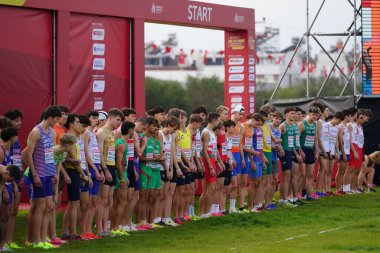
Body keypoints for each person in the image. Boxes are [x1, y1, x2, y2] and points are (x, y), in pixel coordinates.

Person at [25, 106, 62, 249]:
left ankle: (43, 238)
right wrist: (34, 175)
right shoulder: (35, 132)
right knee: (40, 207)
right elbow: (29, 154)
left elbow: (51, 154)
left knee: (48, 206)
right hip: (39, 174)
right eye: (57, 119)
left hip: (48, 173)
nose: (58, 122)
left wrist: (54, 173)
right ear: (50, 117)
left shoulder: (52, 133)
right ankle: (36, 241)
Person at [61, 114, 91, 241]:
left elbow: (80, 158)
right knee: (74, 204)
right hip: (74, 172)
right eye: (78, 123)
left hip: (78, 171)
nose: (80, 125)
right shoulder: (70, 138)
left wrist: (86, 173)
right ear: (71, 124)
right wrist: (83, 175)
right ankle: (72, 233)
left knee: (73, 204)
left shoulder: (77, 137)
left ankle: (66, 232)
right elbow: (76, 161)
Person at [96, 108, 123, 237]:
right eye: (118, 119)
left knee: (109, 201)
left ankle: (105, 227)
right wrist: (104, 170)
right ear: (110, 118)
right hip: (105, 166)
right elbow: (99, 153)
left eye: (120, 121)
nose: (119, 123)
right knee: (102, 200)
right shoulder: (101, 132)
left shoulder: (112, 133)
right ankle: (99, 229)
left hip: (111, 167)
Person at [82, 111, 103, 239]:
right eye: (94, 118)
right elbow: (86, 154)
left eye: (97, 118)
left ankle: (89, 230)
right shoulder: (86, 133)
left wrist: (100, 168)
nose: (96, 120)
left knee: (94, 201)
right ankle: (84, 231)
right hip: (90, 168)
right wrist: (94, 170)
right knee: (88, 203)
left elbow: (96, 153)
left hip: (96, 167)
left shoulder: (94, 134)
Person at [112, 121, 135, 234]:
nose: (134, 132)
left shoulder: (123, 143)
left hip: (122, 173)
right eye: (133, 130)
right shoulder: (121, 143)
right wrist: (122, 178)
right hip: (119, 174)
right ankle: (116, 227)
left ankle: (115, 227)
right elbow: (117, 162)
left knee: (118, 202)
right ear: (130, 130)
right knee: (122, 201)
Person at [159, 116, 180, 226]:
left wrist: (172, 169)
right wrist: (167, 169)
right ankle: (158, 218)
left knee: (166, 194)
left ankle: (166, 217)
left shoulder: (170, 136)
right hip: (161, 168)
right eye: (174, 129)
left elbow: (171, 153)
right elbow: (162, 154)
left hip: (168, 168)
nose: (174, 131)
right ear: (168, 125)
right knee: (160, 195)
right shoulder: (160, 135)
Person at [200, 112, 220, 217]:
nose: (219, 122)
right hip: (207, 162)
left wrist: (218, 162)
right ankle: (204, 212)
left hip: (212, 161)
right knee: (209, 188)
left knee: (210, 188)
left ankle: (205, 212)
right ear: (213, 120)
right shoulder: (206, 132)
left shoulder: (212, 132)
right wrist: (211, 166)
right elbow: (204, 151)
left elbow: (214, 150)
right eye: (218, 120)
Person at [299, 107, 320, 201]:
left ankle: (308, 194)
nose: (315, 117)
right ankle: (301, 192)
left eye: (316, 115)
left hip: (310, 151)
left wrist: (316, 151)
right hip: (303, 150)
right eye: (313, 115)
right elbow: (297, 139)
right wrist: (300, 151)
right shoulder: (302, 124)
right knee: (303, 174)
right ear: (309, 113)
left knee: (311, 174)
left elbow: (315, 138)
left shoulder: (315, 124)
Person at [228, 105, 245, 213]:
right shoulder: (228, 124)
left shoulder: (241, 126)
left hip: (237, 155)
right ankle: (219, 201)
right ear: (234, 112)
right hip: (230, 154)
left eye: (242, 114)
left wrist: (242, 158)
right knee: (232, 183)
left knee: (236, 183)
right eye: (239, 114)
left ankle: (232, 208)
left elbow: (239, 143)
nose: (241, 116)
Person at [278, 108, 297, 207]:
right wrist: (280, 149)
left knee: (289, 177)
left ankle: (282, 199)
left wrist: (296, 154)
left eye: (294, 113)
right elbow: (277, 138)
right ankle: (284, 200)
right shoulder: (283, 125)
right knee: (286, 177)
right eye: (291, 113)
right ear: (286, 115)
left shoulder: (293, 126)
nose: (293, 115)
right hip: (285, 152)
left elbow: (291, 142)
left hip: (290, 151)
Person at [0, 165, 21, 252]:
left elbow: (2, 183)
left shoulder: (6, 172)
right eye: (10, 180)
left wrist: (15, 185)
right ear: (6, 173)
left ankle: (1, 245)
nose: (9, 181)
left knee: (5, 218)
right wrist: (4, 192)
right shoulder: (3, 172)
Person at [247, 113, 265, 212]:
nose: (258, 126)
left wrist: (263, 158)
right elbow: (249, 147)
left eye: (260, 125)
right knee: (253, 183)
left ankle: (256, 205)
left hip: (259, 158)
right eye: (257, 124)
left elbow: (260, 145)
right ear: (254, 120)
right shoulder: (250, 130)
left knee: (258, 183)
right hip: (254, 159)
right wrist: (251, 161)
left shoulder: (259, 129)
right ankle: (250, 207)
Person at [324, 112, 344, 196]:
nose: (339, 123)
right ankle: (326, 190)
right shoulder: (326, 125)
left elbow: (335, 140)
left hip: (332, 151)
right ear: (335, 118)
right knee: (325, 171)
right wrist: (326, 150)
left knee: (330, 171)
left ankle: (328, 190)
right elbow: (324, 138)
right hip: (326, 150)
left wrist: (336, 151)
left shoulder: (336, 127)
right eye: (339, 121)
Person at [347, 110, 365, 193]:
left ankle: (354, 188)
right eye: (361, 117)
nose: (363, 119)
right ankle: (347, 188)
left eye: (363, 117)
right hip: (354, 147)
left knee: (357, 170)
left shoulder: (360, 127)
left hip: (360, 148)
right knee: (351, 169)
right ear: (356, 118)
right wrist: (354, 151)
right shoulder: (352, 125)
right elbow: (351, 140)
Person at [337, 109, 353, 194]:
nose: (351, 118)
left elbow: (348, 140)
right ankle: (338, 189)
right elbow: (340, 141)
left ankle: (343, 188)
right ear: (346, 116)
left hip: (347, 151)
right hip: (342, 151)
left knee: (344, 171)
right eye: (350, 116)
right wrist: (342, 153)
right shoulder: (340, 126)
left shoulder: (347, 127)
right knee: (340, 171)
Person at [316, 104, 330, 197]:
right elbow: (319, 138)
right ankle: (318, 190)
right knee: (323, 169)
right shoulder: (319, 122)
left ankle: (323, 190)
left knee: (324, 170)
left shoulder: (326, 123)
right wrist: (323, 150)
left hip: (327, 148)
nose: (328, 112)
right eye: (327, 111)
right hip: (322, 149)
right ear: (322, 112)